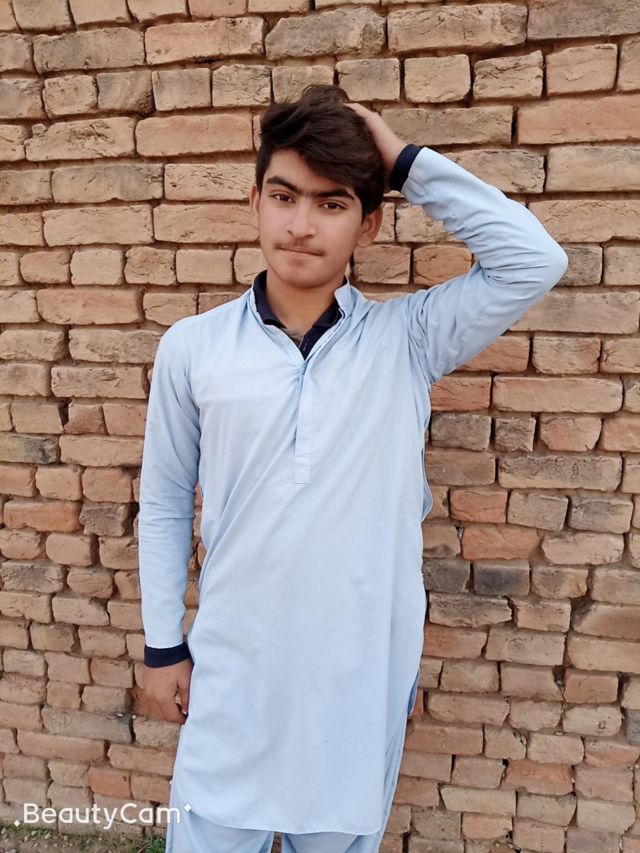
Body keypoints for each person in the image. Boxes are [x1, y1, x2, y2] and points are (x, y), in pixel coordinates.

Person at [137, 84, 569, 852]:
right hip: (232, 673)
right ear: (255, 203)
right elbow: (168, 501)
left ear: (369, 223)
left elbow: (534, 260)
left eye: (331, 203)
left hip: (357, 680)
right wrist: (163, 645)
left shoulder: (408, 339)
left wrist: (402, 161)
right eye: (284, 196)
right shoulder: (193, 348)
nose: (301, 224)